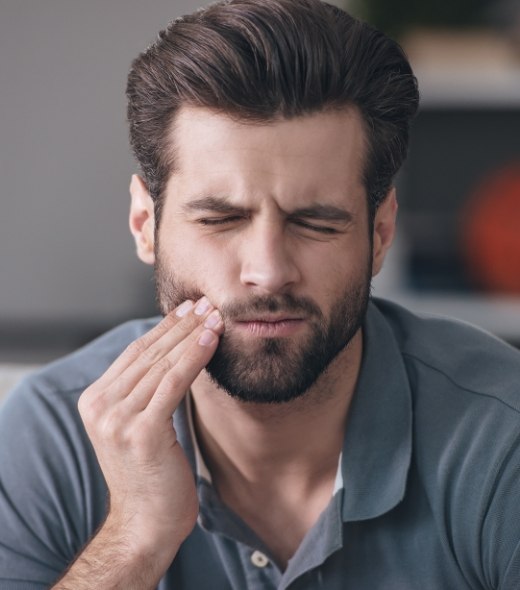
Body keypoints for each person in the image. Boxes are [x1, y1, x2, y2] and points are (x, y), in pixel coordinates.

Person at [1, 0, 519, 588]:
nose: (269, 272)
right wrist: (136, 539)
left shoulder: (502, 436)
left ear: (379, 235)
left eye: (317, 223)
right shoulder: (47, 437)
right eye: (220, 219)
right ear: (145, 224)